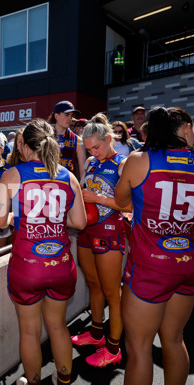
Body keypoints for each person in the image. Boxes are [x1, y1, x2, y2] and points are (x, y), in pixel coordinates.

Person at [115, 106, 194, 385]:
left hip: (149, 268)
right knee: (175, 338)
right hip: (189, 264)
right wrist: (187, 216)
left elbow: (121, 200)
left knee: (140, 348)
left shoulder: (138, 160)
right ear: (184, 130)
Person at [0, 119, 86, 385]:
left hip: (27, 265)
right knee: (59, 328)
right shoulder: (68, 176)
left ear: (24, 146)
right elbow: (79, 222)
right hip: (60, 263)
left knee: (30, 333)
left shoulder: (12, 174)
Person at [72, 113, 130, 367]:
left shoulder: (123, 163)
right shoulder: (92, 163)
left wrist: (97, 199)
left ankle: (114, 348)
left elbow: (128, 204)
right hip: (88, 229)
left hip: (109, 231)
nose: (93, 152)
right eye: (88, 149)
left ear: (109, 139)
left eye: (96, 146)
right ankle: (96, 335)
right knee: (93, 285)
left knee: (111, 293)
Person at [49, 101, 86, 180]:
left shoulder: (78, 140)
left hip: (67, 185)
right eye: (66, 115)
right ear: (56, 116)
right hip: (46, 183)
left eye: (71, 116)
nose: (70, 119)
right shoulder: (45, 137)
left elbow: (83, 173)